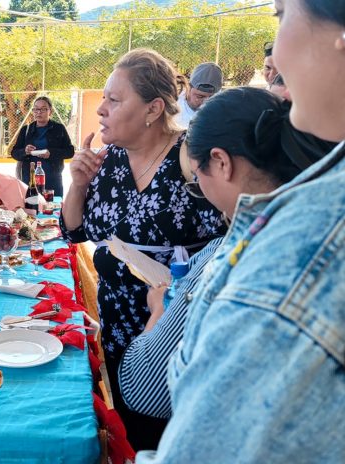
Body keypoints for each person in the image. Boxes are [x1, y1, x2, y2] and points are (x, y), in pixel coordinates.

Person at [136, 1, 345, 461]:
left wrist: (157, 316)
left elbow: (165, 413)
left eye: (282, 15)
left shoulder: (298, 249)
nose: (275, 59)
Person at [117, 87, 336, 446]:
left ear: (220, 161)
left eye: (196, 182)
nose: (199, 191)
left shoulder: (231, 257)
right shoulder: (321, 232)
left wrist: (157, 311)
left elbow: (144, 388)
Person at [60, 48, 226, 450]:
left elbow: (233, 230)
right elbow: (73, 231)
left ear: (153, 109)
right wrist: (78, 183)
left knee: (178, 441)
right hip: (120, 331)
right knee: (134, 435)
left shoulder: (193, 158)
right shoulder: (109, 160)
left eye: (114, 100)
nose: (101, 109)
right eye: (104, 98)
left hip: (177, 335)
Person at [10, 96, 74, 197]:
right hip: (30, 181)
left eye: (43, 109)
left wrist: (51, 153)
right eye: (36, 109)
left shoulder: (59, 129)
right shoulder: (26, 130)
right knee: (31, 209)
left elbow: (70, 151)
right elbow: (14, 153)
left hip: (52, 180)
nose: (39, 112)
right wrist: (25, 151)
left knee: (52, 209)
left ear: (50, 111)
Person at [174, 62, 223, 129]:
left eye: (212, 98)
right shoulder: (173, 107)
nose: (205, 102)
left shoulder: (223, 110)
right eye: (200, 96)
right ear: (188, 88)